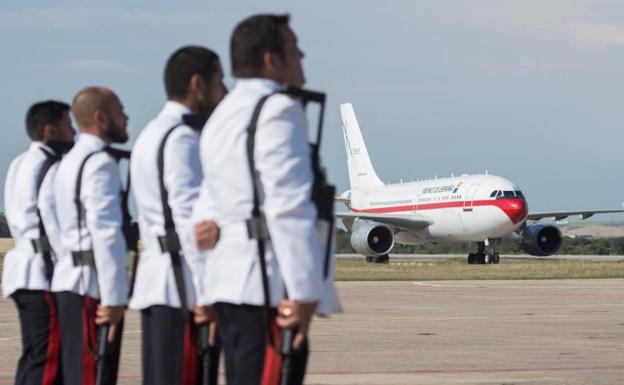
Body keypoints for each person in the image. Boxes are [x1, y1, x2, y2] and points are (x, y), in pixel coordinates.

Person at [194, 14, 340, 385]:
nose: (302, 54)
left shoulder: (221, 115)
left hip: (228, 282)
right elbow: (288, 206)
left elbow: (205, 216)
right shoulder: (278, 110)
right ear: (272, 60)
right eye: (294, 47)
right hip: (267, 287)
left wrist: (204, 287)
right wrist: (306, 291)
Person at [129, 45, 226, 385]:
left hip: (160, 282)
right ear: (198, 83)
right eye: (219, 81)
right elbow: (192, 227)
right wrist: (207, 294)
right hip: (183, 287)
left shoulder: (152, 134)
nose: (223, 91)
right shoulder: (183, 139)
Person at [52, 87, 129, 385]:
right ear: (100, 117)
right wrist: (114, 298)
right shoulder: (99, 164)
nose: (125, 117)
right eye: (119, 111)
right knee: (92, 375)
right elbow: (106, 233)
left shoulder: (70, 161)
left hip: (70, 279)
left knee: (76, 373)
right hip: (91, 286)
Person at [2, 100, 75, 385]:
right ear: (51, 130)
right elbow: (52, 222)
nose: (74, 133)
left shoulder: (20, 162)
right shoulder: (50, 166)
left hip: (21, 267)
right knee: (48, 360)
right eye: (68, 125)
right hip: (43, 273)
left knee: (34, 356)